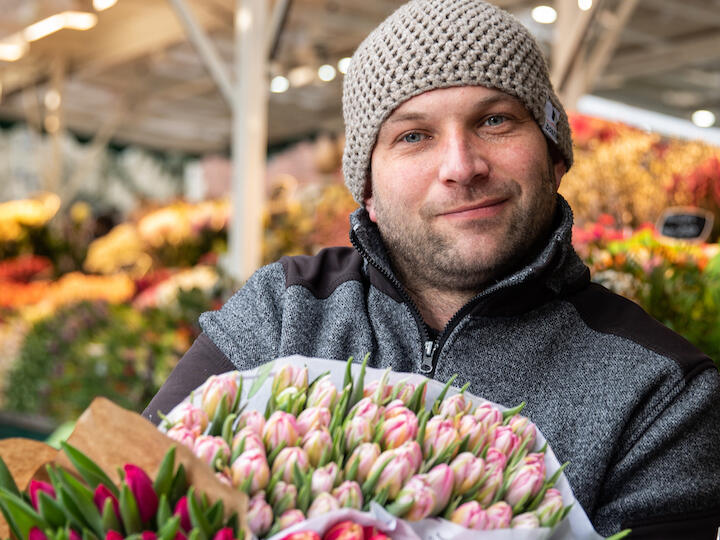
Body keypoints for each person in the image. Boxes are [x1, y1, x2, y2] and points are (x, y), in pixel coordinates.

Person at [143, 0, 720, 537]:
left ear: (556, 151)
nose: (461, 166)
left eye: (495, 121)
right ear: (366, 187)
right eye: (414, 135)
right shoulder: (285, 310)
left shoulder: (661, 390)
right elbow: (135, 493)